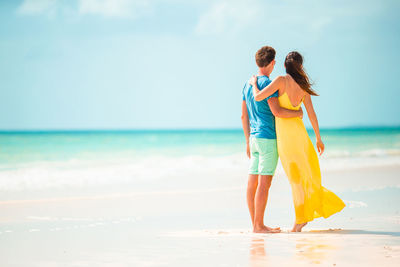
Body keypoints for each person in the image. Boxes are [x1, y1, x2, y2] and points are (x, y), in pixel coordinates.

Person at [249, 51, 345, 232]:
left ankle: (299, 221)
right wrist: (318, 137)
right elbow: (311, 114)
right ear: (300, 67)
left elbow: (258, 96)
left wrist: (255, 84)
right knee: (301, 178)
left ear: (285, 66)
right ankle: (300, 219)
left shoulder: (280, 81)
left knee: (295, 179)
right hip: (300, 136)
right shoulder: (303, 85)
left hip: (286, 139)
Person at [241, 46, 303, 233]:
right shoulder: (268, 83)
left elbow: (244, 117)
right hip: (268, 138)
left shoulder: (247, 84)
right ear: (273, 63)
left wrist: (247, 141)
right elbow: (276, 111)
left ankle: (255, 224)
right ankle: (259, 225)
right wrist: (297, 112)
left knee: (252, 183)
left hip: (254, 138)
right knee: (264, 184)